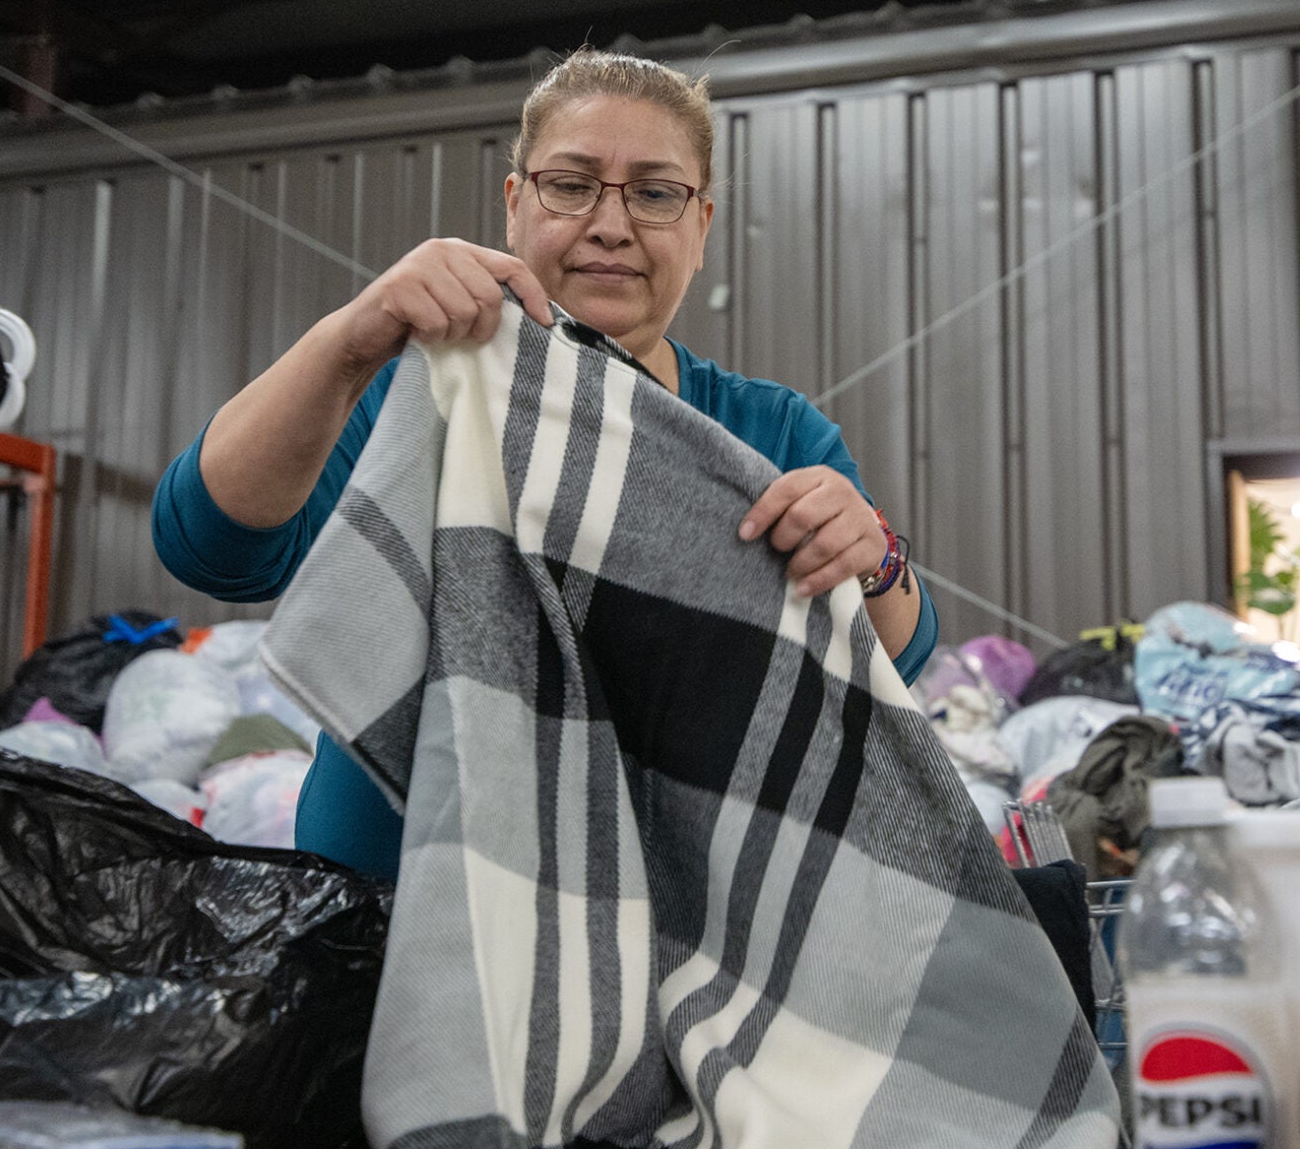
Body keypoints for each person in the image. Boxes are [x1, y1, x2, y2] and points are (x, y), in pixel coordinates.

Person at [152, 49, 937, 880]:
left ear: (701, 229)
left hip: (661, 932)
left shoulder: (769, 430)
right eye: (571, 184)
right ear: (515, 205)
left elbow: (894, 662)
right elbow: (215, 548)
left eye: (656, 193)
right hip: (389, 915)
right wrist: (351, 340)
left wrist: (873, 556)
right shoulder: (418, 391)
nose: (611, 223)